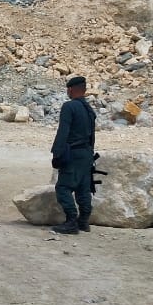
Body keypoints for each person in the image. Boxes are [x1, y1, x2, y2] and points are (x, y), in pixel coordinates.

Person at [49, 75, 97, 235]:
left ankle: (71, 221)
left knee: (63, 187)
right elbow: (92, 136)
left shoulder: (69, 107)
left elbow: (63, 131)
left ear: (70, 89)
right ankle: (83, 221)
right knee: (83, 188)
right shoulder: (89, 109)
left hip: (73, 153)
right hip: (87, 153)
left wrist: (57, 154)